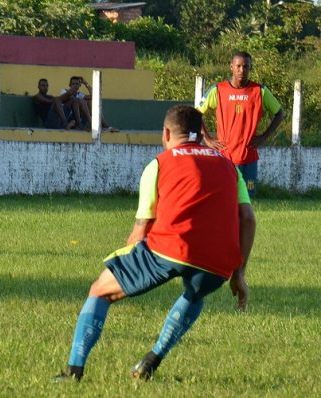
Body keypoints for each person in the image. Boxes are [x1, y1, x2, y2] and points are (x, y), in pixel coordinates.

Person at [55, 105, 256, 382]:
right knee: (195, 295)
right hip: (219, 264)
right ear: (201, 135)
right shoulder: (229, 166)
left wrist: (124, 263)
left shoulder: (161, 162)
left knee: (100, 290)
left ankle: (73, 373)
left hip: (170, 249)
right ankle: (150, 362)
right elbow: (247, 219)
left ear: (166, 133)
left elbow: (142, 228)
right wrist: (238, 273)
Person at [196, 51, 285, 197]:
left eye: (246, 66)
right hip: (224, 156)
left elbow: (280, 113)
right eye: (238, 66)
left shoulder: (259, 91)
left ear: (250, 68)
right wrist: (207, 138)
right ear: (231, 67)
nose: (241, 70)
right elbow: (196, 114)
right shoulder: (218, 90)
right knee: (224, 197)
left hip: (248, 155)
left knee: (248, 200)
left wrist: (264, 137)